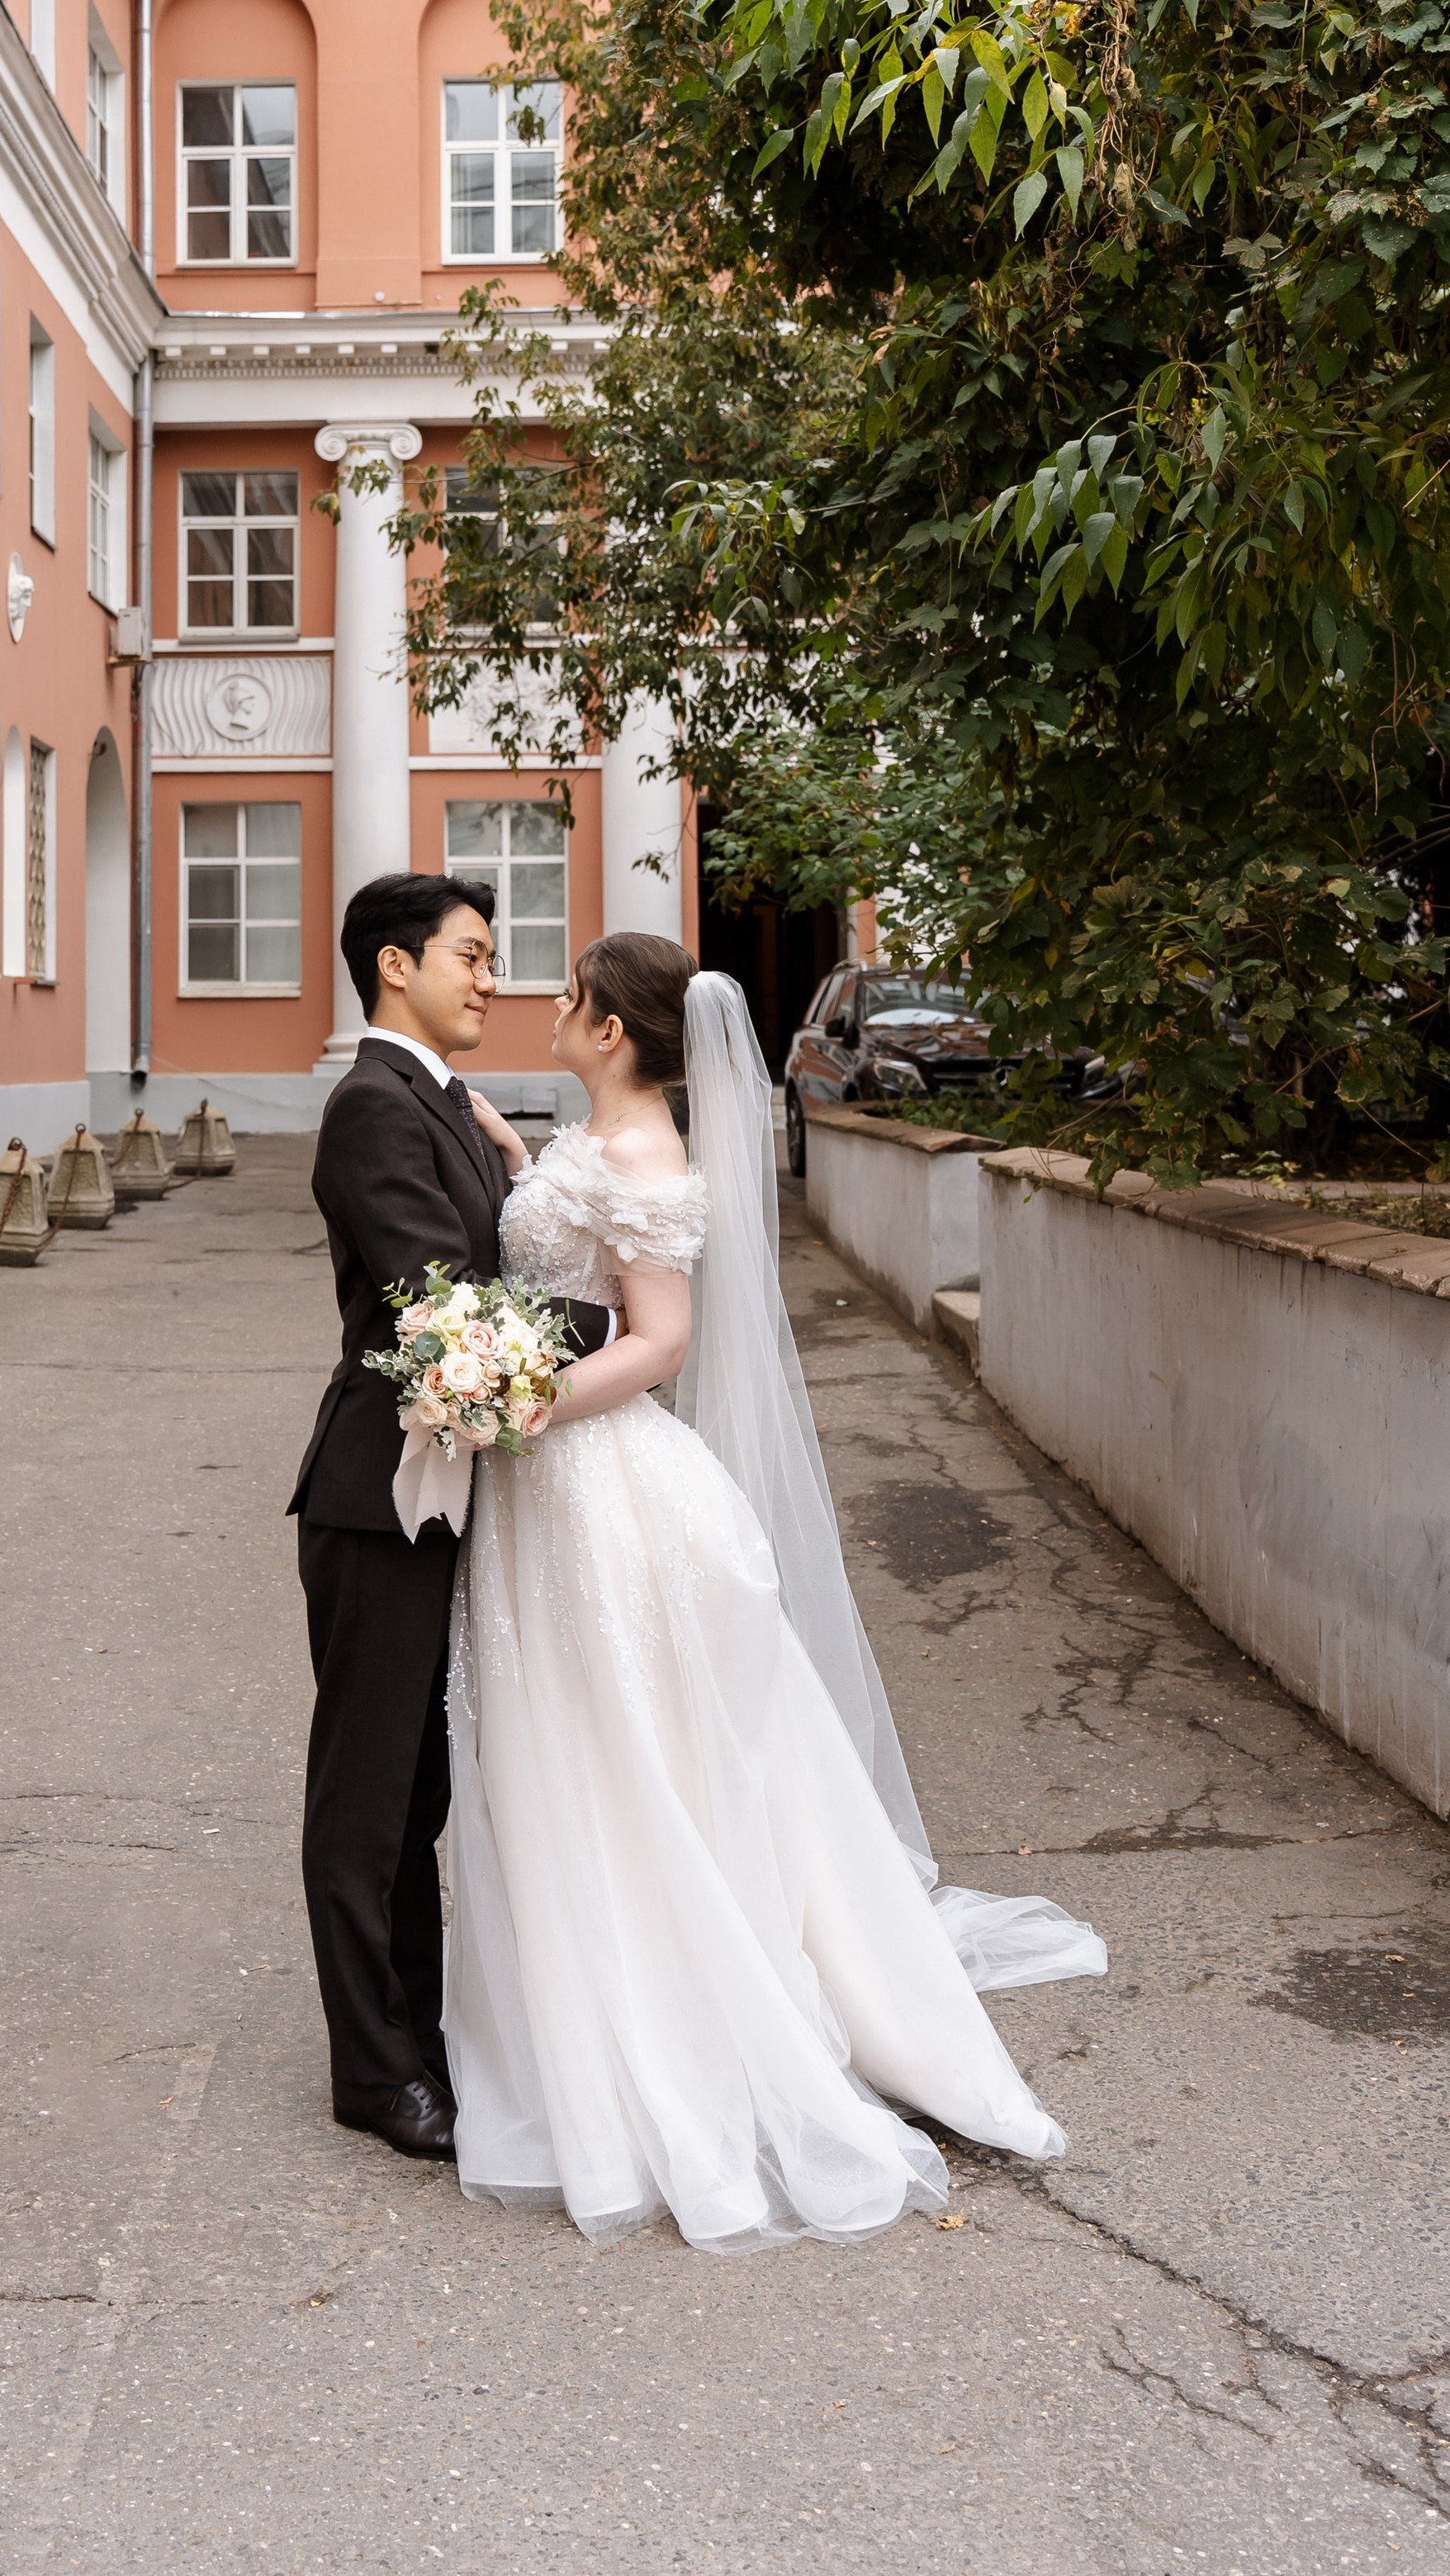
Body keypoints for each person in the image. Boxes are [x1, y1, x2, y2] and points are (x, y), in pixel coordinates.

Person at [444, 933, 1107, 2254]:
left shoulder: (642, 1156)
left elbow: (661, 1338)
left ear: (615, 1031)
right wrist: (522, 1164)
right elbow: (566, 1237)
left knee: (630, 1748)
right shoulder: (592, 1139)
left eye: (572, 1000)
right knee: (580, 1743)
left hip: (593, 1483)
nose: (551, 1011)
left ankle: (686, 2000)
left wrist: (514, 1406)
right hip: (549, 1490)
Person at [289, 874, 614, 2161]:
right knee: (366, 1803)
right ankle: (373, 2074)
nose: (492, 978)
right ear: (393, 967)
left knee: (420, 1789)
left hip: (444, 1487)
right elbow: (448, 1309)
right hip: (378, 1499)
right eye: (470, 956)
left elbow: (486, 1266)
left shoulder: (443, 1105)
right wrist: (628, 1334)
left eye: (493, 957)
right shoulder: (372, 1108)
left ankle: (417, 2039)